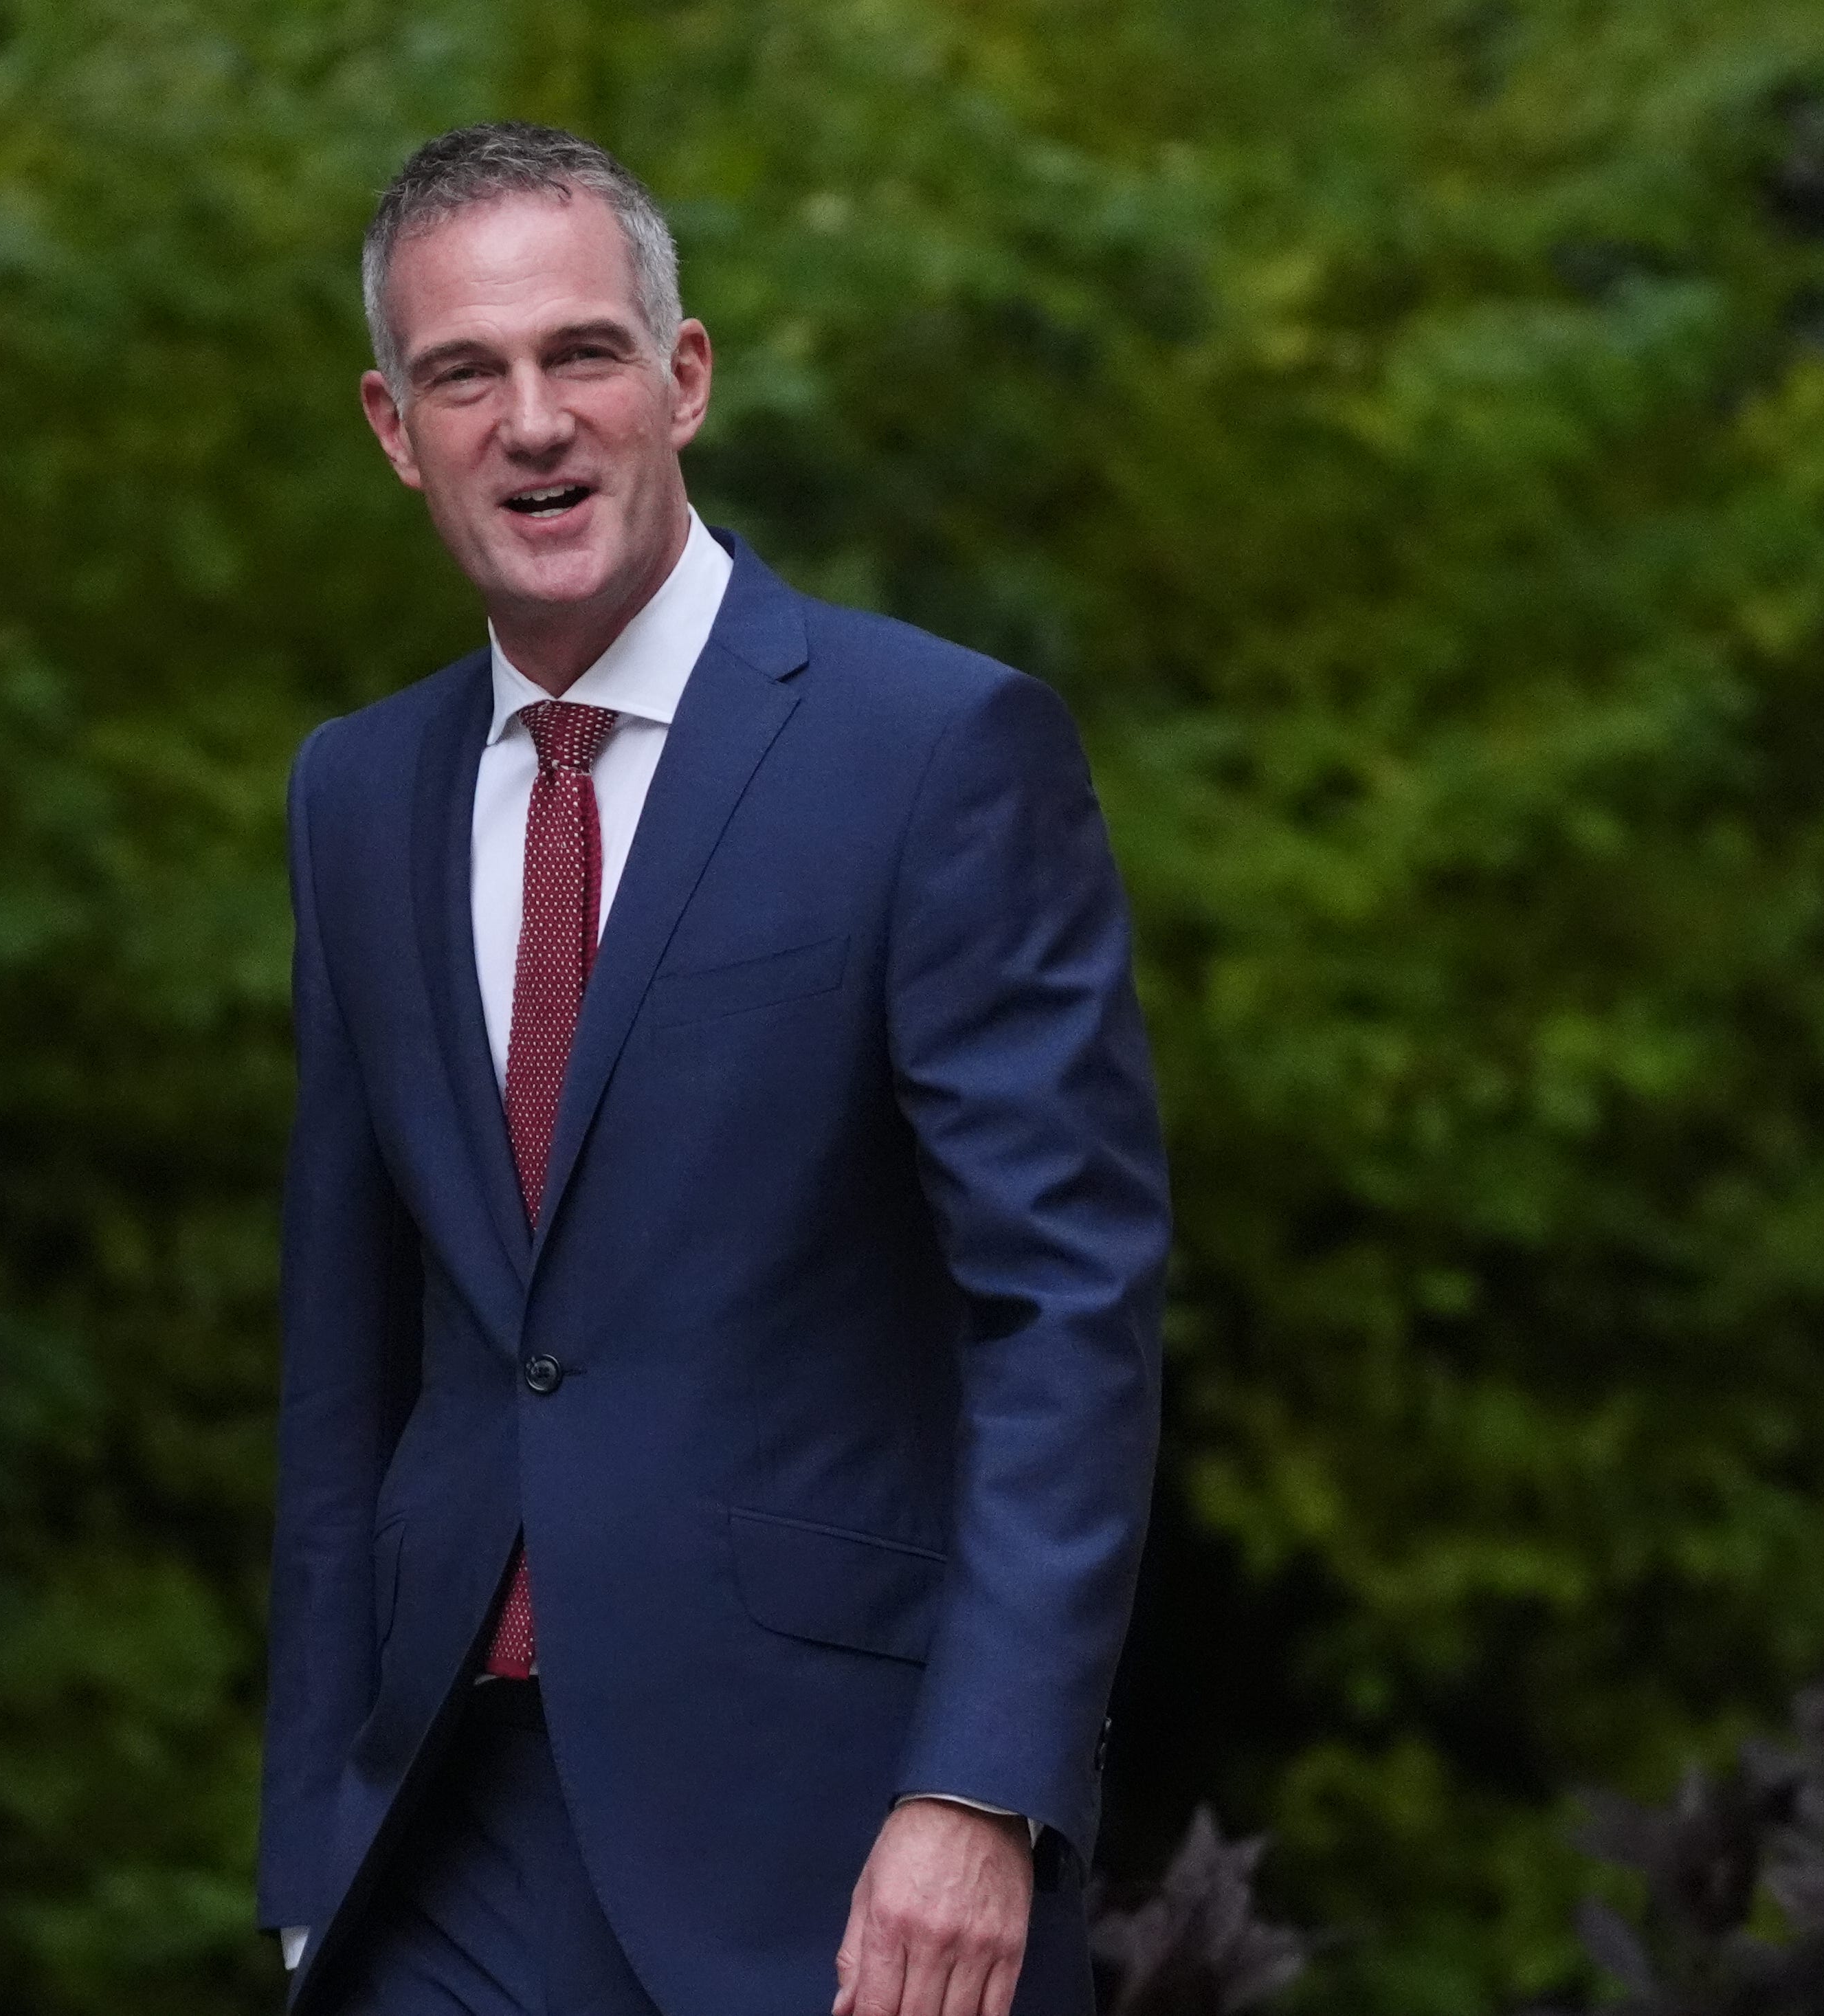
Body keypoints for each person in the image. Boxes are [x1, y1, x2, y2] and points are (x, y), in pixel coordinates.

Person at [258, 122, 1169, 2016]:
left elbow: (1064, 1311)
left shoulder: (935, 751)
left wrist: (979, 1787)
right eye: (465, 375)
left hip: (825, 1844)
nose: (531, 421)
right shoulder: (357, 794)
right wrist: (307, 1858)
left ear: (682, 380)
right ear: (390, 426)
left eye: (582, 354)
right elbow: (348, 1361)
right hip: (444, 1843)